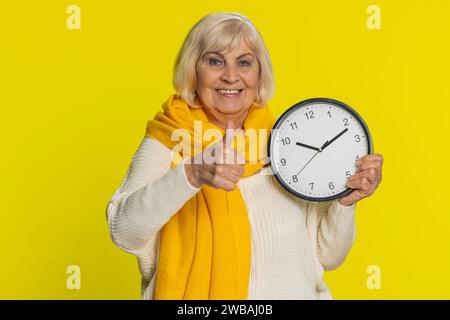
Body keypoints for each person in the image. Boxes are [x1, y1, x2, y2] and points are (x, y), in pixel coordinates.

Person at [106, 12, 383, 300]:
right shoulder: (169, 140)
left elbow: (328, 256)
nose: (230, 75)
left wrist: (344, 201)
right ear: (193, 70)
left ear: (259, 73)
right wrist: (192, 174)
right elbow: (123, 230)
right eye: (215, 61)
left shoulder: (289, 143)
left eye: (244, 62)